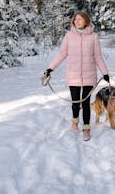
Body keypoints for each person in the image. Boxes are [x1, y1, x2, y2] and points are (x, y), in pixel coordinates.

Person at [44, 11, 109, 141]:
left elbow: (97, 56)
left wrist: (105, 72)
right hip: (72, 75)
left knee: (85, 103)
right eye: (75, 19)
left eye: (80, 19)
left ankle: (86, 129)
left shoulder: (93, 37)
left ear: (86, 21)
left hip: (89, 76)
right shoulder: (69, 36)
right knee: (75, 102)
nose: (77, 21)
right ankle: (74, 122)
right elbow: (62, 54)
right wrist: (50, 68)